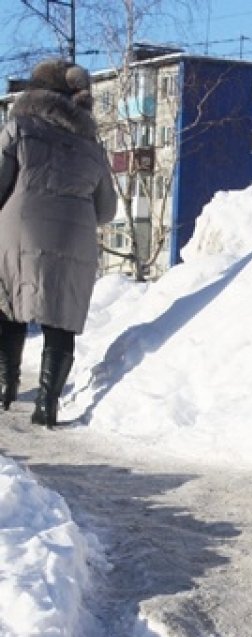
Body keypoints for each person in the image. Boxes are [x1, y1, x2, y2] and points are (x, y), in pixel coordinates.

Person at [0, 59, 117, 427]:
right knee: (61, 318)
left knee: (8, 305)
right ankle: (47, 405)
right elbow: (106, 209)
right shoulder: (91, 145)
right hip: (75, 236)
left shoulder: (18, 127)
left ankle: (6, 388)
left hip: (20, 228)